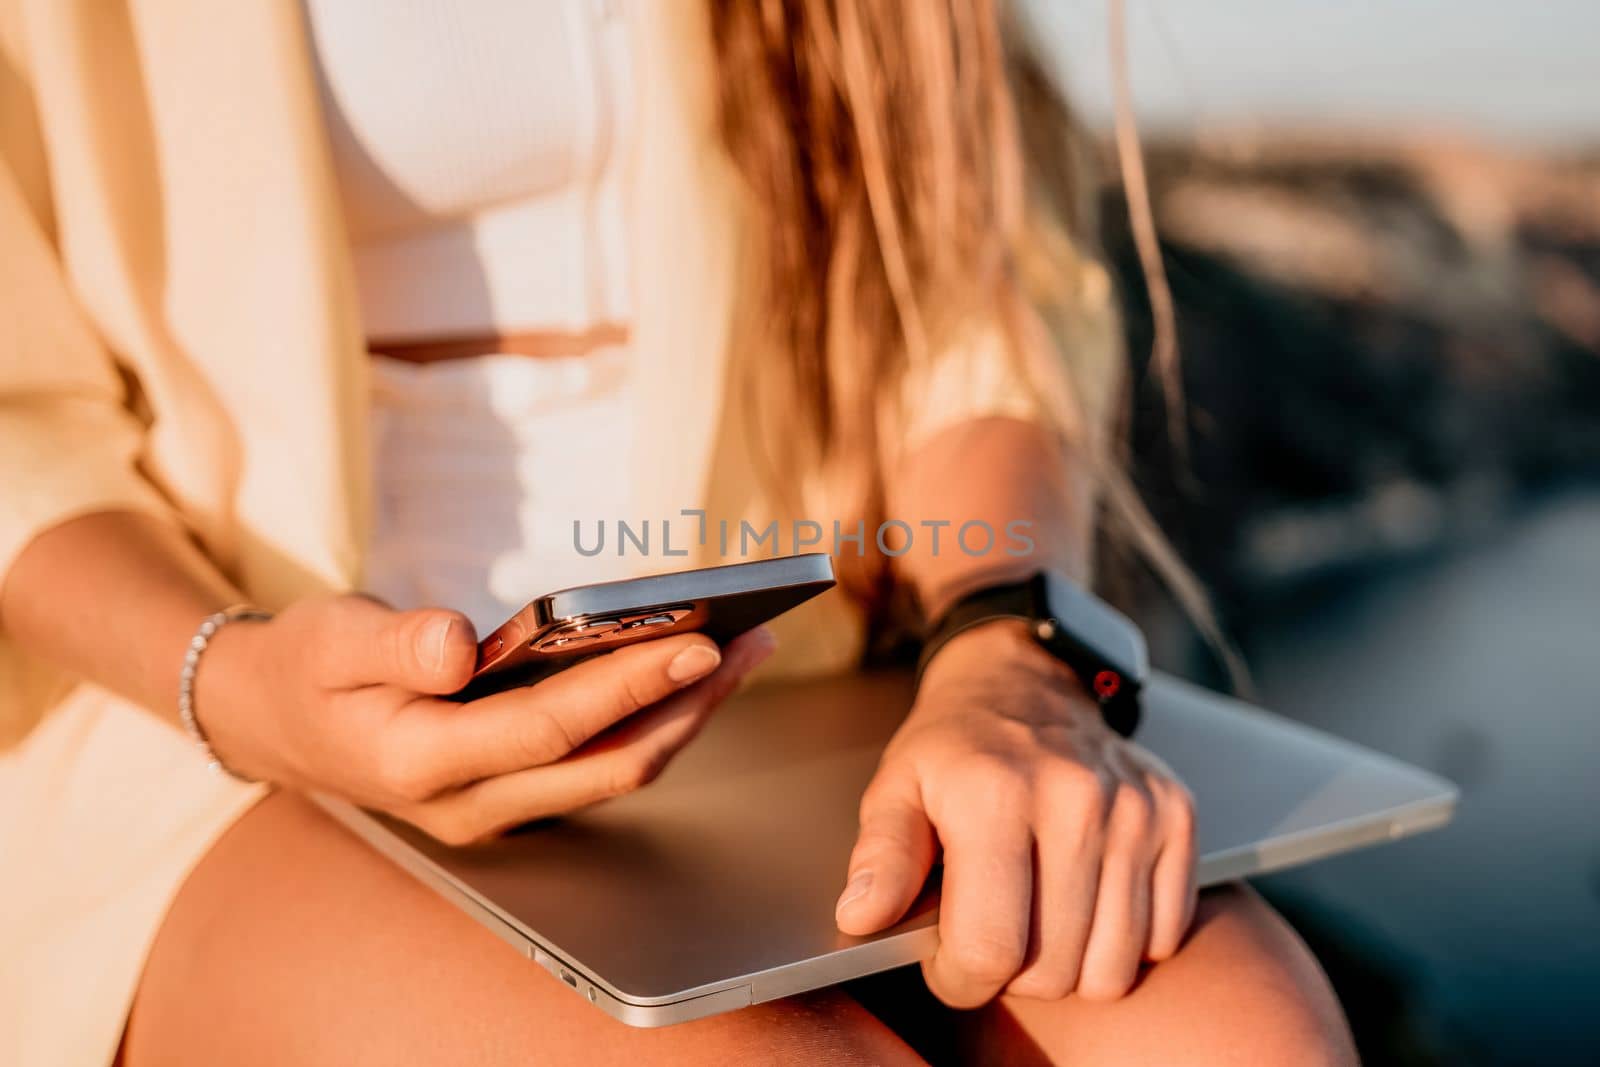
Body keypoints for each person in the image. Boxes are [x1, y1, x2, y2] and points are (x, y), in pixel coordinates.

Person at [0, 1, 1356, 1063]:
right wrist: (232, 684)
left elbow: (967, 309)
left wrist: (1006, 647)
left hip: (789, 687)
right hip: (209, 712)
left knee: (1251, 1042)